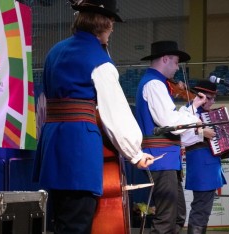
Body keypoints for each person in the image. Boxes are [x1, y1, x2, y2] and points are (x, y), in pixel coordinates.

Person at [33, 1, 154, 233]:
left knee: (60, 221)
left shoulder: (54, 51)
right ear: (104, 25)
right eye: (111, 27)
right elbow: (114, 111)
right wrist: (135, 153)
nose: (111, 32)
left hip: (52, 144)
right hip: (79, 148)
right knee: (77, 223)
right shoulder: (98, 60)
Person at [135, 40, 207, 234]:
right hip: (160, 158)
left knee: (176, 216)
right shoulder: (154, 84)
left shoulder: (158, 84)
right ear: (165, 59)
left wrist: (193, 108)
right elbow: (169, 122)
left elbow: (171, 118)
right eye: (176, 62)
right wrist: (193, 117)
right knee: (166, 219)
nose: (177, 68)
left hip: (166, 159)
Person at [179, 80, 227, 233]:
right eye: (208, 97)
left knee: (203, 211)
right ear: (198, 95)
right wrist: (201, 133)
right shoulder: (188, 111)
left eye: (213, 98)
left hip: (210, 166)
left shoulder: (205, 114)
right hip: (202, 167)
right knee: (200, 211)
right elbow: (181, 137)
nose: (212, 102)